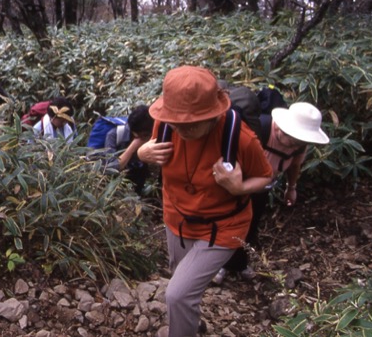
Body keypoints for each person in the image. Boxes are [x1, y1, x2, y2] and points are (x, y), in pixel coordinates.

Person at [137, 66, 272, 337]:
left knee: (176, 294)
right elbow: (151, 148)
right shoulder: (165, 123)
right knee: (181, 282)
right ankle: (190, 322)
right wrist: (142, 153)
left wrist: (240, 186)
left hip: (223, 226)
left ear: (213, 115)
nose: (182, 128)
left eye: (192, 123)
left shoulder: (240, 138)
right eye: (177, 122)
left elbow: (265, 177)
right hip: (176, 217)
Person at [214, 101, 329, 284]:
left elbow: (295, 164)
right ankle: (216, 265)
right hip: (236, 184)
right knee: (228, 223)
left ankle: (238, 264)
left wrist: (291, 188)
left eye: (301, 141)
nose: (296, 144)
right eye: (295, 139)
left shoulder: (299, 144)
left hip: (261, 188)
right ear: (283, 128)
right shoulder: (260, 129)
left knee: (250, 226)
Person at [107, 105, 155, 194]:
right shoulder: (114, 135)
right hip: (117, 187)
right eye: (145, 135)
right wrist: (133, 147)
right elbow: (110, 169)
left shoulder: (152, 135)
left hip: (140, 182)